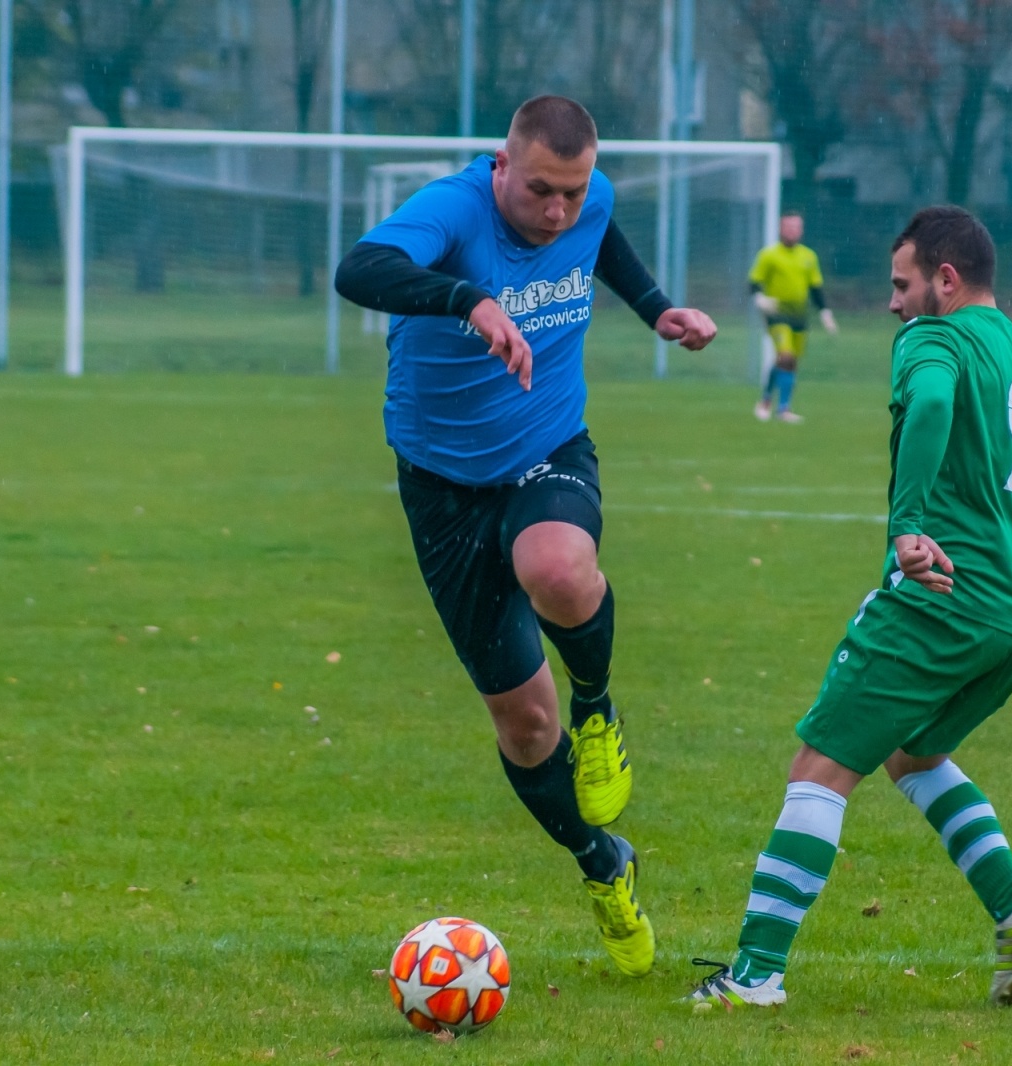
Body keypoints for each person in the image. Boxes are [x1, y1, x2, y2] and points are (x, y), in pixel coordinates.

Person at [686, 205, 1012, 1009]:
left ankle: (755, 976)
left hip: (940, 600)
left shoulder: (934, 339)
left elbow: (929, 406)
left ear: (946, 280)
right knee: (912, 754)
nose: (893, 303)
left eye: (902, 284)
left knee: (820, 768)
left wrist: (909, 529)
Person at [334, 95, 717, 978]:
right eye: (541, 190)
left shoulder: (590, 199)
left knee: (558, 567)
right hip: (441, 490)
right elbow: (360, 269)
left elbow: (603, 239)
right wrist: (467, 301)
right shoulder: (456, 210)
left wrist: (656, 307)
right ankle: (601, 862)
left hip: (547, 448)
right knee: (523, 725)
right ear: (503, 166)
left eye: (571, 192)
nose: (558, 212)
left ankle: (599, 710)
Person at [749, 212, 837, 423]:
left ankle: (767, 401)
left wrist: (825, 313)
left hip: (800, 316)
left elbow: (815, 288)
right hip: (777, 315)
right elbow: (754, 282)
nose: (793, 231)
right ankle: (781, 408)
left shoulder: (808, 256)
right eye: (789, 226)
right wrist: (759, 298)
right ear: (781, 228)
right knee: (786, 357)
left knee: (788, 362)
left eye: (797, 227)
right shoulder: (769, 255)